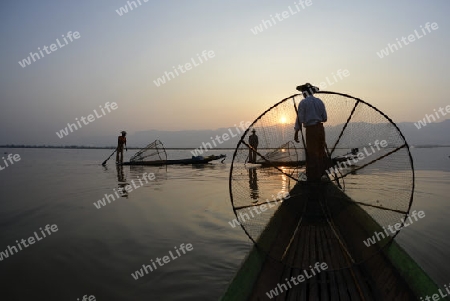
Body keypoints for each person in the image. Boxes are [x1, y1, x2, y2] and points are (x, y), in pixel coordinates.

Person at [294, 83, 328, 182]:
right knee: (321, 151)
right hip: (320, 129)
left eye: (302, 93)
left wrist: (296, 131)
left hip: (311, 129)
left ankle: (313, 176)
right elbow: (325, 118)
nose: (302, 94)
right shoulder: (320, 102)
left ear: (305, 93)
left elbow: (300, 118)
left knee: (312, 153)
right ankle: (322, 174)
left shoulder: (304, 103)